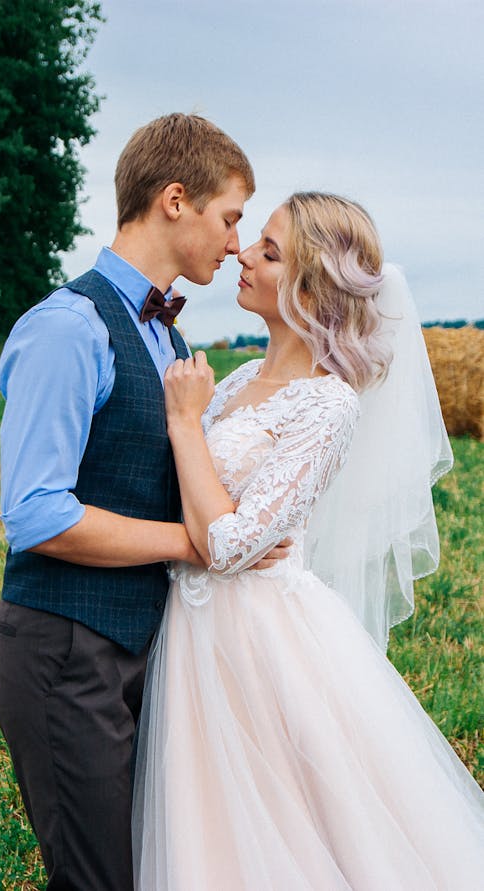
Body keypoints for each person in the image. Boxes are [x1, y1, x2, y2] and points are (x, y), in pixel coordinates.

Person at [132, 192, 484, 890]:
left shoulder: (328, 403)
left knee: (298, 823)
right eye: (253, 242)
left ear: (311, 283)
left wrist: (183, 425)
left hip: (262, 634)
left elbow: (231, 544)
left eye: (269, 251)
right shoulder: (232, 386)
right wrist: (216, 507)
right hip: (194, 627)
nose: (243, 254)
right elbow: (219, 527)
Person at [0, 112, 293, 891]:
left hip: (146, 648)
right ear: (175, 199)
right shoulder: (66, 327)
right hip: (64, 651)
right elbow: (36, 513)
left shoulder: (173, 345)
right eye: (230, 219)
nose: (235, 243)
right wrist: (188, 543)